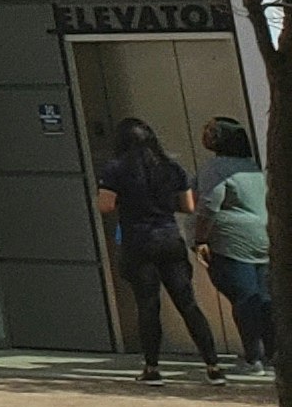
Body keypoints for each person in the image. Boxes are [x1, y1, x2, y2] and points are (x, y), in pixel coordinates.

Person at [98, 114, 223, 384]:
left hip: (138, 239)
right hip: (169, 237)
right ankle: (213, 366)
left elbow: (106, 205)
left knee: (147, 304)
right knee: (187, 303)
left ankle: (152, 368)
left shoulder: (115, 169)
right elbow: (188, 206)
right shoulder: (171, 167)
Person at [197, 115, 272, 377]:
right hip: (262, 239)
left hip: (231, 243)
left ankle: (253, 358)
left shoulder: (215, 169)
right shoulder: (251, 167)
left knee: (244, 300)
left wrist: (200, 239)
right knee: (264, 299)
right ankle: (274, 355)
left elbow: (208, 206)